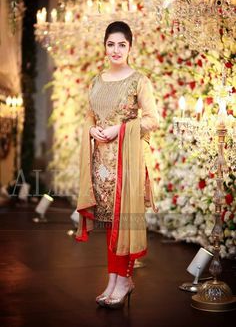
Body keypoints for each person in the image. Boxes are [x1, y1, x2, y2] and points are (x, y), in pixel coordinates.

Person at [75, 21, 158, 309]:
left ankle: (124, 279)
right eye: (111, 44)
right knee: (110, 223)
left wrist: (119, 131)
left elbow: (152, 120)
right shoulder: (96, 81)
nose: (116, 49)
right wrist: (91, 131)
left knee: (124, 222)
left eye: (121, 44)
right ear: (105, 47)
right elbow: (88, 117)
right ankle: (113, 279)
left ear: (130, 47)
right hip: (101, 164)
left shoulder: (139, 81)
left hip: (127, 163)